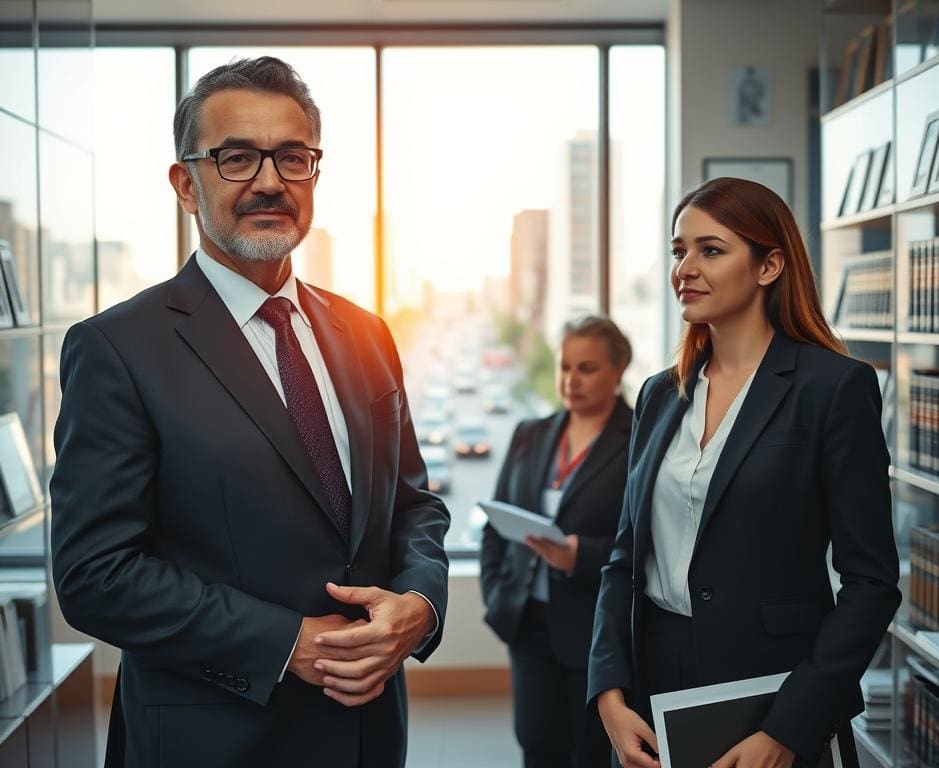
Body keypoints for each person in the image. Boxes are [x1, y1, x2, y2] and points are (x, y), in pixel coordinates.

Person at [50, 57, 450, 768]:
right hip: (213, 739)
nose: (270, 181)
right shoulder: (117, 348)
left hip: (367, 733)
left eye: (292, 157)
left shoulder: (367, 332)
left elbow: (414, 506)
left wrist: (420, 605)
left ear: (313, 175)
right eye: (237, 158)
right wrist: (285, 642)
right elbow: (96, 574)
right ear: (185, 184)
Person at [588, 177, 901, 768]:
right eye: (679, 250)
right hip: (654, 685)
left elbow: (871, 584)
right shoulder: (660, 395)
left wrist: (787, 729)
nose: (685, 267)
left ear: (769, 266)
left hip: (776, 693)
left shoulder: (833, 388)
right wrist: (609, 692)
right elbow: (622, 559)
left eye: (711, 249)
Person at [480, 316, 633, 768]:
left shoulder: (638, 440)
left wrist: (579, 556)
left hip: (594, 629)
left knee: (589, 751)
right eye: (565, 367)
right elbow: (495, 526)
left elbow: (648, 547)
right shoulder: (531, 434)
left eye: (587, 368)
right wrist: (496, 592)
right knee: (537, 744)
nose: (571, 380)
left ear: (619, 370)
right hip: (528, 623)